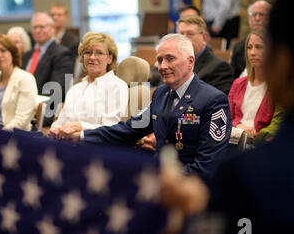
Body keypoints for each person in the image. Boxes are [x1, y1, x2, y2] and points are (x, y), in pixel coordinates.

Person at [160, 0, 294, 234]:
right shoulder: (236, 88)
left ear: (279, 63)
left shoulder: (247, 174)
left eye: (263, 48)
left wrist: (196, 209)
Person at [72, 33, 232, 180]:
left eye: (170, 59)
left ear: (191, 61)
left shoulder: (213, 100)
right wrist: (81, 136)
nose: (162, 66)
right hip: (160, 178)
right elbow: (128, 130)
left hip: (190, 188)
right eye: (160, 60)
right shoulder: (161, 93)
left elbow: (207, 165)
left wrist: (165, 182)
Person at [48, 32, 128, 139]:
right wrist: (56, 129)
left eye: (99, 53)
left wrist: (80, 126)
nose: (92, 57)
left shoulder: (117, 86)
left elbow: (111, 128)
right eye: (88, 52)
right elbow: (61, 121)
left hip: (96, 148)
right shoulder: (75, 89)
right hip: (65, 144)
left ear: (110, 58)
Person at [21, 12, 75, 126]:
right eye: (35, 27)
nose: (38, 30)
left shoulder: (63, 54)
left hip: (42, 112)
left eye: (42, 27)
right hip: (20, 108)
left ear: (52, 28)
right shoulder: (26, 56)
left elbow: (57, 90)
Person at [0, 34, 37, 131]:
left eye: (3, 50)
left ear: (12, 53)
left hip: (14, 137)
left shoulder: (26, 79)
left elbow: (21, 121)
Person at [228, 29, 274, 142]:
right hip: (234, 139)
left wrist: (254, 136)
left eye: (259, 47)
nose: (252, 53)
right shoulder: (238, 83)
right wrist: (239, 126)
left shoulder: (276, 87)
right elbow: (226, 117)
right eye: (249, 47)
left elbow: (276, 125)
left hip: (260, 143)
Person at [177, 15, 234, 95]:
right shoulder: (174, 62)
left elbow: (218, 103)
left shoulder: (220, 67)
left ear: (204, 37)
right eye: (181, 34)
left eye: (190, 34)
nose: (184, 39)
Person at [230, 0, 271, 78]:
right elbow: (232, 76)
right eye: (254, 14)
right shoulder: (239, 46)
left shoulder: (279, 45)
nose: (257, 18)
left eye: (261, 14)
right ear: (249, 19)